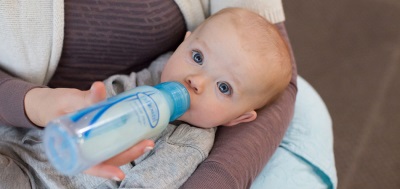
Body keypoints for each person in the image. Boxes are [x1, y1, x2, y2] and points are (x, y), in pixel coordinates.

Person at [0, 1, 337, 189]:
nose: (195, 81)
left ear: (239, 118)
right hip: (19, 137)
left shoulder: (186, 143)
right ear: (184, 43)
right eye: (198, 58)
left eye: (223, 88)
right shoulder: (160, 71)